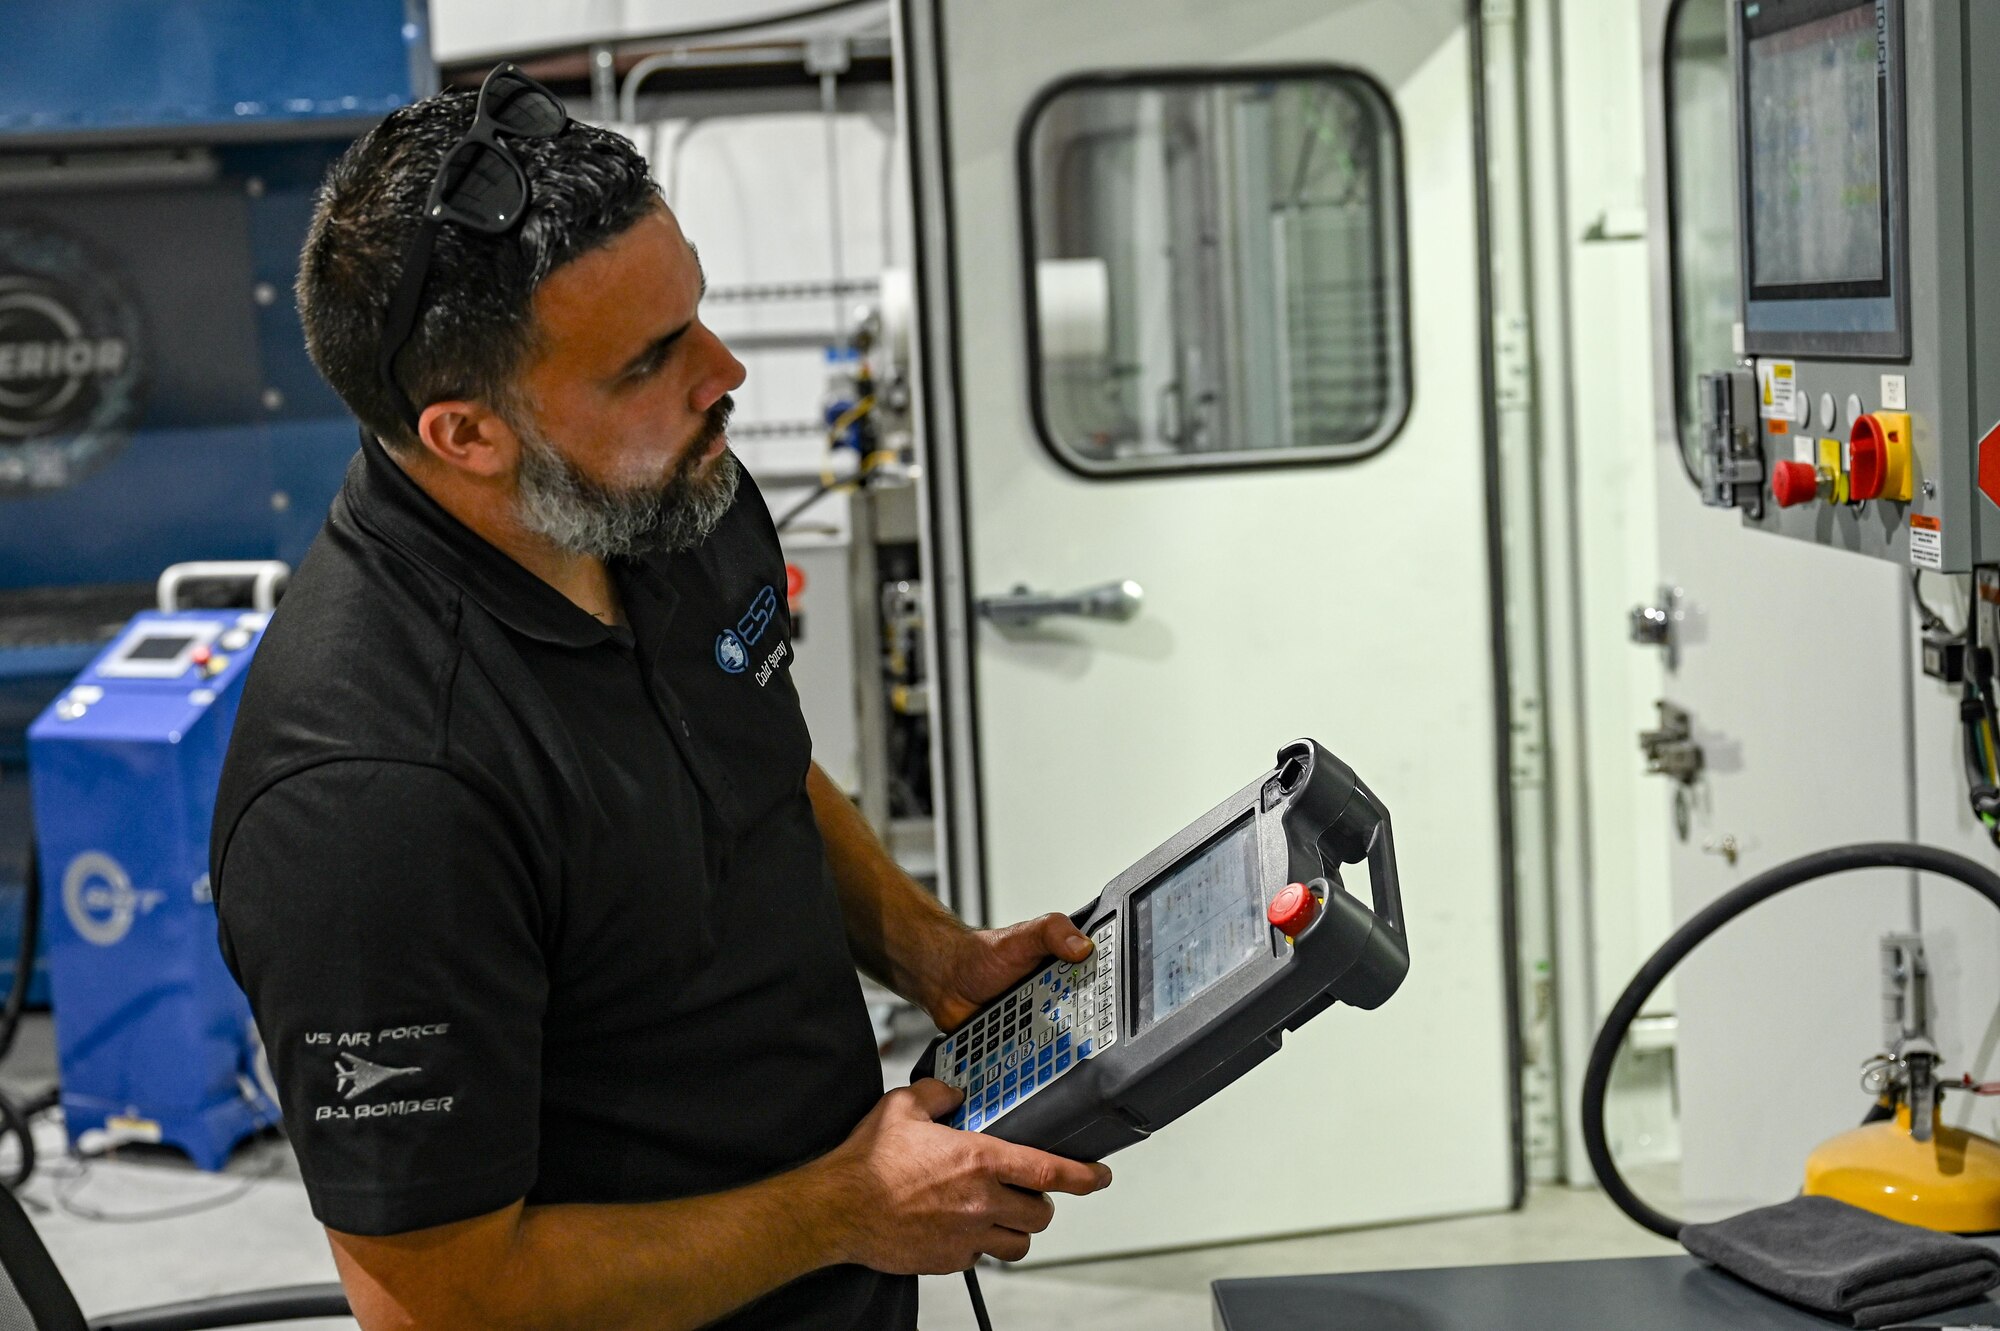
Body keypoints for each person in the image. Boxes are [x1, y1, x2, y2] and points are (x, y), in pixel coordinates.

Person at [211, 69, 1110, 1331]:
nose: (725, 373)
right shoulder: (375, 796)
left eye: (697, 314)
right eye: (650, 359)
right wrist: (841, 1206)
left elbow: (753, 755)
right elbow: (438, 1301)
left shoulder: (665, 498)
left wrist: (929, 950)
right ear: (468, 435)